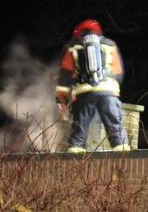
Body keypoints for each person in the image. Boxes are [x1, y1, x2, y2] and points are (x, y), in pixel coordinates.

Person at [55, 18, 130, 153]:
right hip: (108, 91)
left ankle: (75, 152)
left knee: (80, 126)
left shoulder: (72, 47)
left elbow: (65, 75)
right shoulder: (110, 44)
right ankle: (121, 150)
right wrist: (112, 88)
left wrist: (62, 98)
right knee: (114, 124)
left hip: (83, 93)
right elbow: (118, 72)